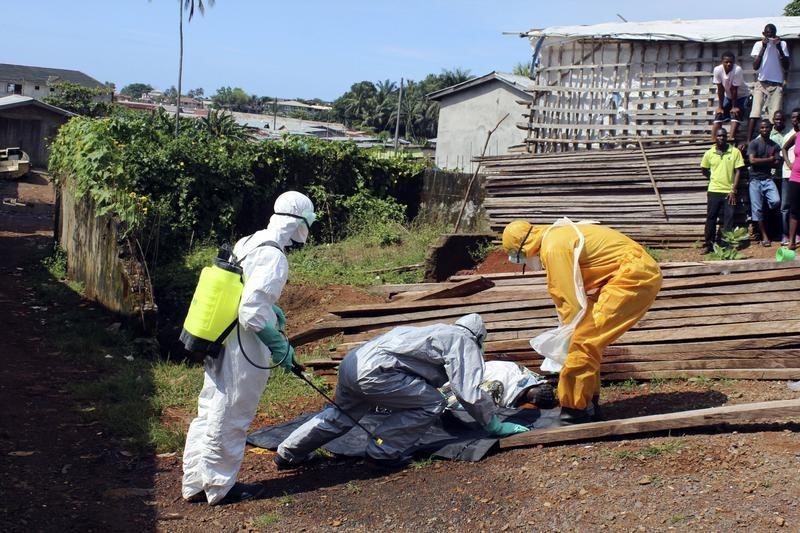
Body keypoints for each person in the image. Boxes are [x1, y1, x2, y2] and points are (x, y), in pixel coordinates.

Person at [182, 190, 316, 505]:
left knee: (210, 408)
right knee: (233, 413)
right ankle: (220, 487)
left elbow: (244, 291)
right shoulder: (275, 255)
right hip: (244, 346)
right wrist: (278, 344)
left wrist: (274, 311)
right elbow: (251, 311)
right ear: (298, 222)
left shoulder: (249, 241)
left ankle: (196, 482)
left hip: (221, 337)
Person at [274, 313, 529, 470]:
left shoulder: (435, 331)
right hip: (377, 373)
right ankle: (382, 453)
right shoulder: (462, 341)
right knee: (432, 403)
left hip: (352, 364)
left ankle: (288, 453)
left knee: (341, 415)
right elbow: (467, 390)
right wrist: (493, 424)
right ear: (479, 338)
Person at [501, 220, 662, 425]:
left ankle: (573, 410)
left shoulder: (553, 248)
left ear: (522, 247)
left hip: (632, 278)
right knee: (587, 341)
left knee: (583, 341)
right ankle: (588, 403)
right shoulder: (556, 236)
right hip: (632, 274)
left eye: (516, 255)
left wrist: (567, 335)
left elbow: (566, 297)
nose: (519, 260)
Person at [441, 360, 558, 410]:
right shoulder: (495, 387)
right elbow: (483, 412)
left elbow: (541, 380)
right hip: (448, 393)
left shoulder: (521, 371)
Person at [701, 128, 745, 254]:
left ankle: (726, 246)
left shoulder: (734, 152)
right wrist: (713, 178)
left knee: (729, 219)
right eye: (719, 136)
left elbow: (738, 171)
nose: (721, 138)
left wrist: (733, 190)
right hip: (714, 190)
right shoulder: (709, 153)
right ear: (715, 138)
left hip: (729, 192)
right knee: (711, 218)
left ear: (727, 137)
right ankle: (708, 245)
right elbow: (704, 169)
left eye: (724, 136)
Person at [748, 23, 790, 141]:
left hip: (776, 84)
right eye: (768, 35)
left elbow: (786, 66)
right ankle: (749, 140)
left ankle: (770, 140)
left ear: (776, 35)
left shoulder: (782, 44)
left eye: (772, 35)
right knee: (755, 112)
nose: (770, 37)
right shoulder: (758, 45)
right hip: (761, 83)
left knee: (774, 115)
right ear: (764, 34)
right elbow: (755, 66)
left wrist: (779, 48)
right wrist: (764, 46)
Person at [747, 119, 782, 246]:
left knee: (776, 201)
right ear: (759, 130)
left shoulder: (774, 145)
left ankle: (767, 216)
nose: (765, 130)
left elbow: (777, 164)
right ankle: (764, 236)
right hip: (755, 180)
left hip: (768, 178)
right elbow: (752, 161)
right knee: (757, 210)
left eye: (767, 128)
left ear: (770, 129)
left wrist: (761, 159)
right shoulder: (754, 143)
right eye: (762, 128)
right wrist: (769, 159)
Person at [711, 51, 750, 141]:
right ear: (722, 62)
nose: (728, 64)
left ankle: (731, 139)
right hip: (728, 96)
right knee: (719, 114)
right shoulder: (717, 70)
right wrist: (720, 107)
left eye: (731, 62)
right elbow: (720, 89)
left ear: (734, 62)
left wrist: (734, 107)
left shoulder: (737, 70)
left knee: (735, 113)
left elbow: (734, 89)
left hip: (742, 96)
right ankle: (713, 141)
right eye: (726, 62)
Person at [780, 109, 800, 245]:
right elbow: (784, 148)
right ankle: (792, 241)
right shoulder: (797, 135)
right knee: (794, 209)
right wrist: (789, 163)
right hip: (795, 177)